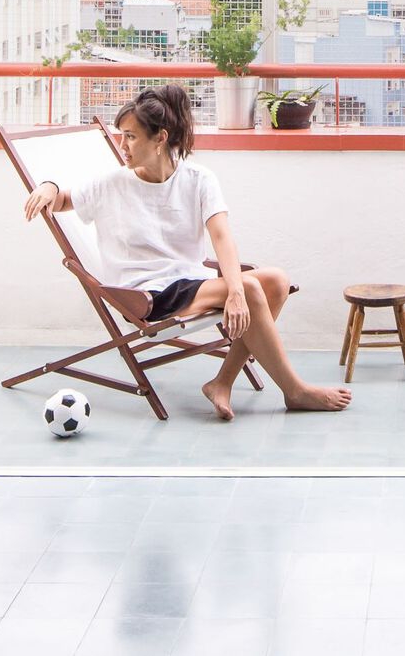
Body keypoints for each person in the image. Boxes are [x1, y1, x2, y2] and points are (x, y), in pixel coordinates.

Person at [22, 83, 351, 420]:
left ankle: (222, 382)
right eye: (121, 135)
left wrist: (235, 290)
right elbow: (63, 199)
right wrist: (49, 186)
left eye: (131, 137)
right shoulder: (112, 182)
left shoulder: (197, 178)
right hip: (146, 293)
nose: (122, 145)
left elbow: (222, 237)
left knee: (276, 281)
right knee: (250, 287)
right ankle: (294, 390)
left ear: (160, 138)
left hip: (190, 280)